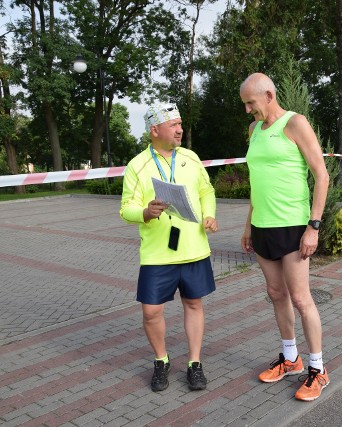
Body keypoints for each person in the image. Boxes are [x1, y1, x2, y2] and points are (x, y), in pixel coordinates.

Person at [239, 73, 330, 402]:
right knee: (276, 293)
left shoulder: (295, 123)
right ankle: (291, 359)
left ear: (269, 94)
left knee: (302, 299)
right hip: (262, 226)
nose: (248, 110)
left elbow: (321, 174)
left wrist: (313, 226)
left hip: (293, 226)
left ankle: (318, 370)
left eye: (251, 103)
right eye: (245, 104)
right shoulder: (253, 131)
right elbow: (256, 181)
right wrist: (249, 225)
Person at [120, 102, 218, 392]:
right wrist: (145, 213)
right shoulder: (137, 165)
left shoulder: (190, 157)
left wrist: (210, 214)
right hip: (156, 253)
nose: (180, 129)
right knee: (151, 311)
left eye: (180, 123)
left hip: (193, 248)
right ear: (155, 130)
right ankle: (161, 360)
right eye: (174, 124)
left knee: (194, 303)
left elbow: (206, 191)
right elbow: (126, 208)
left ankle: (194, 363)